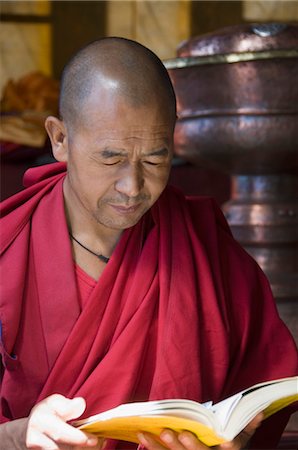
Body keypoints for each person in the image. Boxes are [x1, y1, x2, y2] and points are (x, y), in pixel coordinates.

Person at [0, 37, 297, 450]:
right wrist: (15, 436)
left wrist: (234, 442)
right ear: (60, 139)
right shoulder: (8, 248)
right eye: (111, 158)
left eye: (155, 160)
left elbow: (261, 396)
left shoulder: (205, 250)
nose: (133, 186)